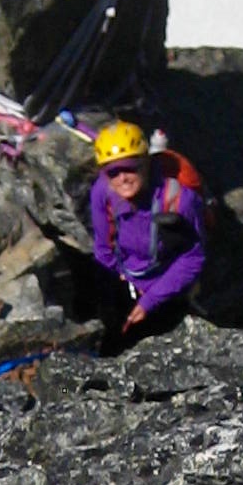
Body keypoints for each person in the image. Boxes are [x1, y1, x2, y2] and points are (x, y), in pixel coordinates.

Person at [87, 121, 206, 340]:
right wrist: (118, 284)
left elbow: (193, 257)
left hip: (167, 286)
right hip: (127, 278)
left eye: (130, 167)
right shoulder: (103, 193)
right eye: (113, 172)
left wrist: (150, 300)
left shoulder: (180, 200)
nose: (122, 178)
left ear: (145, 163)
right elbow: (103, 248)